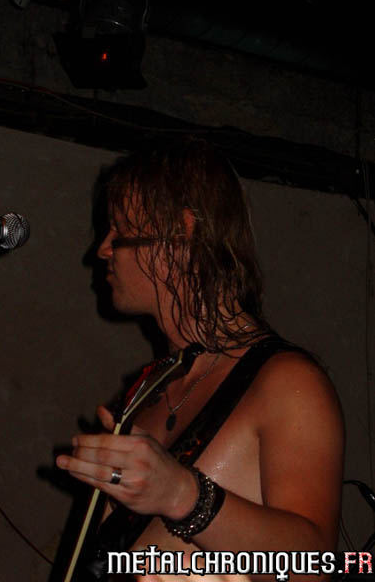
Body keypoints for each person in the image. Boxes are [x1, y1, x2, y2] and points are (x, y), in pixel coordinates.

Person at [56, 139, 344, 580]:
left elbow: (314, 566)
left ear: (181, 231)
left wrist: (183, 496)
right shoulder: (147, 392)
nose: (103, 250)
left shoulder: (287, 381)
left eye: (119, 230)